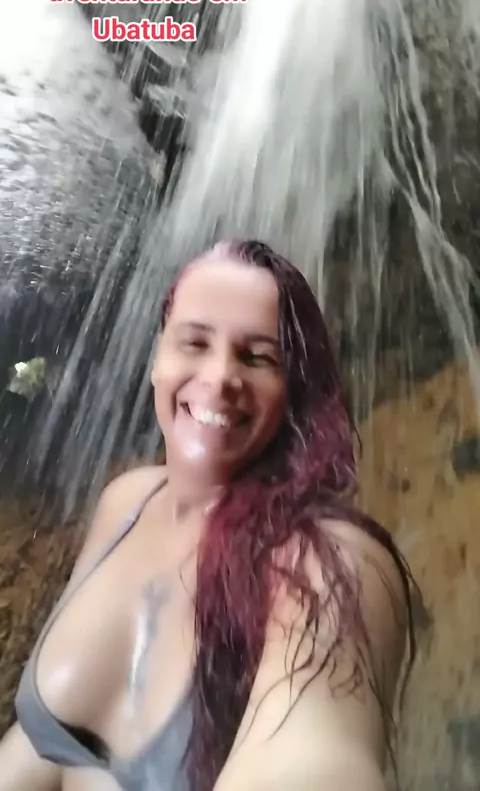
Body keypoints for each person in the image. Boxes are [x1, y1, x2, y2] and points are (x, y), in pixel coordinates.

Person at [0, 239, 415, 791]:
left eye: (257, 357)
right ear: (157, 360)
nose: (220, 377)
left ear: (294, 389)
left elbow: (317, 755)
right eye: (194, 342)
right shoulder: (125, 503)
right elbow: (39, 745)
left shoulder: (327, 561)